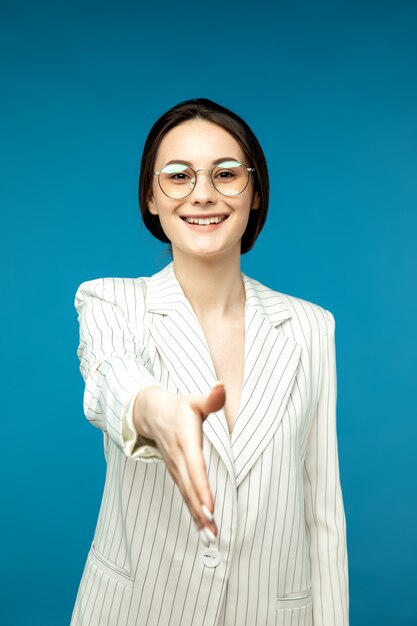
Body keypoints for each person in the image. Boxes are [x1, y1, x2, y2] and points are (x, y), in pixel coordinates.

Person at [70, 98, 349, 626]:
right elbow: (111, 377)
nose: (203, 194)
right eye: (178, 176)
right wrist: (153, 411)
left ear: (256, 190)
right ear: (151, 197)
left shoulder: (312, 327)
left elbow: (322, 513)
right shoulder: (111, 301)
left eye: (225, 174)